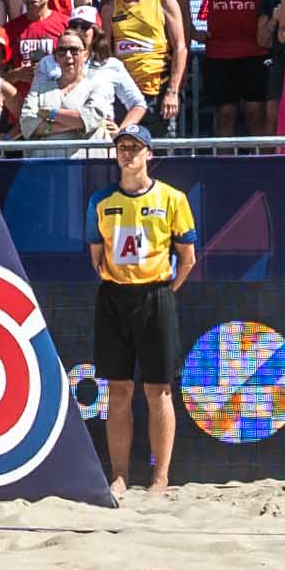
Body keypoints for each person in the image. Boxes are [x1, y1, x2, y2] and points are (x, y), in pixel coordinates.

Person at [87, 123, 195, 496]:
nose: (128, 153)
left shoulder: (172, 198)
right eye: (122, 147)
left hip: (155, 295)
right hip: (115, 297)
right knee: (118, 390)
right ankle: (119, 475)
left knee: (158, 391)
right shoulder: (101, 201)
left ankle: (160, 478)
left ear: (150, 154)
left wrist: (165, 291)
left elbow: (188, 258)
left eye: (135, 147)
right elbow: (96, 256)